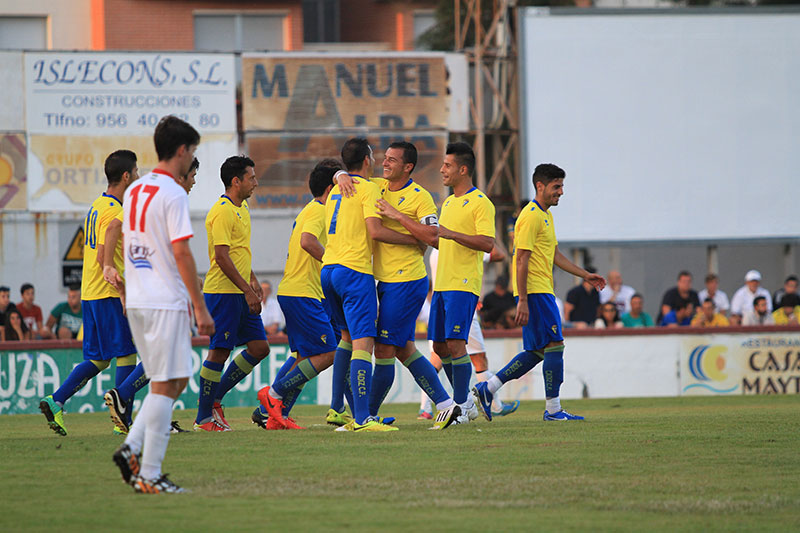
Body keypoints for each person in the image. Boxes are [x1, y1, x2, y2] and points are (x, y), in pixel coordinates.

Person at [111, 115, 214, 494]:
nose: (192, 160)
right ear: (183, 150)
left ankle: (131, 450)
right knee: (167, 383)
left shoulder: (136, 190)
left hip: (139, 297)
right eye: (193, 152)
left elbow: (121, 233)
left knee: (171, 380)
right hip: (164, 299)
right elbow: (182, 252)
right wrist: (200, 308)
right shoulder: (172, 193)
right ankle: (149, 473)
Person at [333, 140, 461, 429]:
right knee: (404, 348)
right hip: (386, 281)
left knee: (385, 351)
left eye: (392, 160)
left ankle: (363, 417)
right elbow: (341, 174)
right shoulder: (374, 185)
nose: (385, 163)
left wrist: (398, 216)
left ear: (408, 167)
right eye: (385, 158)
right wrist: (339, 175)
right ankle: (445, 404)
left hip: (407, 280)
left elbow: (433, 237)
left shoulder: (421, 197)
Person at [298, 138, 418, 432]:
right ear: (367, 159)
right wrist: (414, 241)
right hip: (355, 272)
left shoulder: (336, 188)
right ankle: (364, 418)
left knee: (346, 340)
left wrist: (338, 173)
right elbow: (375, 231)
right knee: (364, 345)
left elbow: (342, 177)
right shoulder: (367, 188)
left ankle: (338, 408)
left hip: (329, 271)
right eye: (375, 156)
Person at [473, 163, 606, 422]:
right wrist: (522, 299)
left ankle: (487, 389)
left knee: (536, 352)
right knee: (555, 345)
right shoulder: (531, 215)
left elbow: (554, 254)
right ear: (540, 186)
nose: (561, 192)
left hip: (538, 291)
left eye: (562, 186)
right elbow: (520, 259)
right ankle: (554, 410)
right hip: (535, 292)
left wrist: (585, 275)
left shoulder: (545, 215)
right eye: (557, 187)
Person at [39, 150, 140, 437]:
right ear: (126, 176)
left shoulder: (97, 205)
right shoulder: (117, 212)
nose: (138, 177)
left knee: (98, 359)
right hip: (108, 292)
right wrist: (122, 288)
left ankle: (56, 399)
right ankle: (124, 420)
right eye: (136, 173)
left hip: (90, 293)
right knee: (127, 353)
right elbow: (101, 258)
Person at [102, 158, 199, 437]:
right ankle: (124, 396)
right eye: (192, 175)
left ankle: (150, 418)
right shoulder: (170, 199)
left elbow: (114, 229)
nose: (194, 181)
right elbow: (177, 252)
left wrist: (109, 265)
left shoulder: (142, 195)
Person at [252, 160, 342, 430]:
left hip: (297, 290)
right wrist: (333, 263)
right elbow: (307, 241)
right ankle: (273, 396)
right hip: (303, 292)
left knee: (303, 356)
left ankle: (271, 413)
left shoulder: (311, 210)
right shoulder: (319, 211)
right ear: (331, 188)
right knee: (329, 353)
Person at [194, 155, 270, 432]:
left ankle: (215, 398)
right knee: (219, 352)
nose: (256, 183)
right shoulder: (222, 211)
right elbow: (222, 257)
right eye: (251, 177)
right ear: (236, 181)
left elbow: (240, 251)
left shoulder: (243, 207)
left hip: (239, 290)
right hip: (223, 292)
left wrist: (253, 279)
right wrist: (245, 290)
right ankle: (203, 419)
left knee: (260, 348)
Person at [427, 141, 495, 425]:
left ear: (463, 169)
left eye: (447, 165)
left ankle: (461, 407)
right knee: (441, 348)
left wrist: (451, 234)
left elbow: (488, 243)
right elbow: (440, 237)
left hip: (463, 283)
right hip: (442, 286)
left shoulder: (481, 202)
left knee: (456, 343)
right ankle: (468, 399)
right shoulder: (449, 202)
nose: (442, 170)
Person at [419, 245, 519, 420]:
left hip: (442, 302)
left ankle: (426, 408)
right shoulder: (464, 245)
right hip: (460, 301)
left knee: (439, 356)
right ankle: (480, 404)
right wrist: (491, 233)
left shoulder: (436, 249)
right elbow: (498, 254)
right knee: (476, 357)